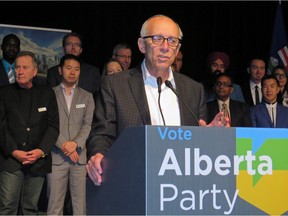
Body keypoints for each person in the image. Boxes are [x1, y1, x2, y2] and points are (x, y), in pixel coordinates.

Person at [86, 14, 230, 186]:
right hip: (133, 181)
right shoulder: (115, 85)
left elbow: (197, 146)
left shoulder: (193, 90)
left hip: (182, 187)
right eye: (157, 39)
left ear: (177, 49)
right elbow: (102, 134)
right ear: (141, 45)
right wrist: (98, 154)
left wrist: (209, 135)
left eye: (172, 41)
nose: (165, 47)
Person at [0, 51, 59, 215]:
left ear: (34, 71)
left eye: (25, 67)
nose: (20, 71)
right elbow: (1, 126)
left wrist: (41, 151)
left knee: (30, 209)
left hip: (37, 161)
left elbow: (53, 126)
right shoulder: (4, 93)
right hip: (11, 160)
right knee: (7, 207)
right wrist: (14, 151)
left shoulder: (47, 93)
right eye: (17, 67)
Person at [47, 54, 94, 215]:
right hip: (56, 157)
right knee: (54, 206)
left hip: (79, 158)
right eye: (68, 68)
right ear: (60, 70)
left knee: (80, 207)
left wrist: (75, 144)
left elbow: (87, 125)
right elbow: (48, 125)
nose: (73, 72)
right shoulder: (49, 94)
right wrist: (64, 146)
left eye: (76, 69)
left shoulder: (87, 96)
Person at [47, 32, 101, 98]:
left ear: (81, 50)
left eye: (77, 44)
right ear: (63, 49)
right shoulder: (52, 72)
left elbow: (98, 98)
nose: (73, 47)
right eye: (69, 44)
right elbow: (50, 97)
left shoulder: (93, 72)